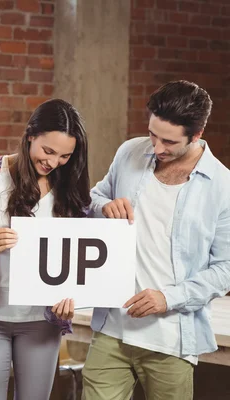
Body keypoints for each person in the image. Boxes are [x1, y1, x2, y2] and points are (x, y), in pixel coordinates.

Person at [83, 80, 230, 400]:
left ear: (197, 135)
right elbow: (95, 198)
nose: (157, 147)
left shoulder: (222, 186)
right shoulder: (129, 152)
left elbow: (225, 268)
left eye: (169, 141)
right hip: (111, 331)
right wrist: (103, 207)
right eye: (152, 134)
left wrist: (169, 297)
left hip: (171, 340)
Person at [0, 99, 91, 399]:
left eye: (65, 156)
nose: (53, 163)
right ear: (30, 135)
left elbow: (79, 251)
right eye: (48, 151)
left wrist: (73, 296)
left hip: (41, 320)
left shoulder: (69, 187)